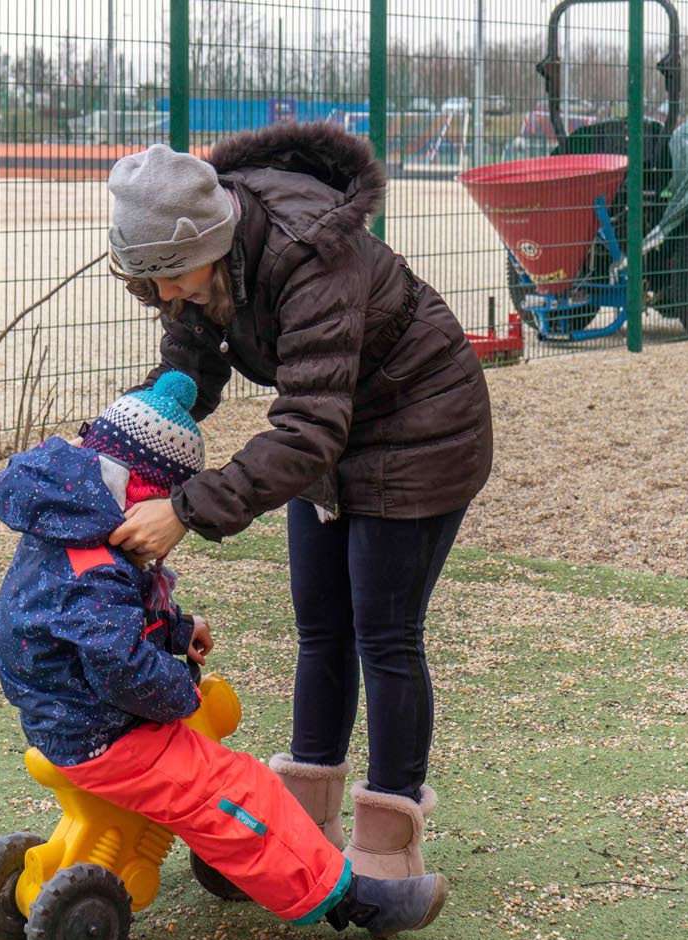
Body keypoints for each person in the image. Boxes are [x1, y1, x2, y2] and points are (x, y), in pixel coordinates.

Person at [104, 122, 494, 879]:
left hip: (422, 427)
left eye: (175, 280)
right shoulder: (200, 265)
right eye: (153, 287)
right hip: (337, 427)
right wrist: (128, 445)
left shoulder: (311, 251)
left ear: (211, 243)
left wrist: (184, 511)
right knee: (321, 627)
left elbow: (310, 428)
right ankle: (301, 828)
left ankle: (389, 842)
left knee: (382, 632)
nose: (168, 299)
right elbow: (191, 362)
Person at [0, 371, 449, 937]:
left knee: (212, 784)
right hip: (106, 733)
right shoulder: (97, 572)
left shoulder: (64, 530)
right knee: (243, 790)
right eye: (166, 502)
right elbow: (119, 663)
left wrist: (177, 630)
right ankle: (350, 899)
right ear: (143, 491)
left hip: (57, 720)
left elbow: (87, 623)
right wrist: (181, 693)